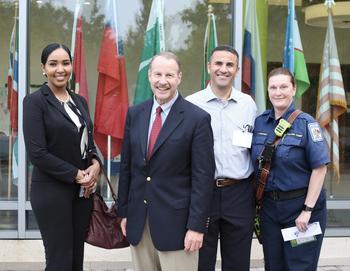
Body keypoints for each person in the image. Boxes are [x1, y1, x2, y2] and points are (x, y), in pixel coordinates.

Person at [117, 51, 215, 271]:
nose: (163, 81)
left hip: (178, 228)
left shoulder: (197, 119)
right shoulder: (135, 114)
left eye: (169, 75)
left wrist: (197, 227)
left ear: (179, 77)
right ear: (149, 76)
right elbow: (127, 167)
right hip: (139, 223)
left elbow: (203, 178)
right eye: (158, 74)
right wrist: (123, 212)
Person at [23, 43, 101, 271]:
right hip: (51, 192)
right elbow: (37, 154)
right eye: (53, 64)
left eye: (65, 63)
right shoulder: (34, 102)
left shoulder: (80, 101)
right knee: (60, 261)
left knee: (76, 260)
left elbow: (89, 143)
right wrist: (78, 175)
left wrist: (95, 165)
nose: (60, 69)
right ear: (43, 68)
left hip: (81, 194)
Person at [187, 45, 257, 271]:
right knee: (200, 262)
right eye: (218, 63)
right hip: (202, 193)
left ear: (237, 70)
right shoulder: (190, 104)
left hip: (239, 193)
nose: (223, 69)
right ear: (209, 67)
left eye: (229, 65)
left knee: (238, 263)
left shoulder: (248, 104)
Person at [251, 67, 329, 271]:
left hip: (300, 211)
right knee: (273, 266)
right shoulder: (260, 122)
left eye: (284, 86)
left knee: (299, 266)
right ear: (268, 91)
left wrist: (307, 210)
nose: (278, 92)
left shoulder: (306, 124)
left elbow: (320, 168)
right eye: (273, 87)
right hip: (270, 211)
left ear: (294, 89)